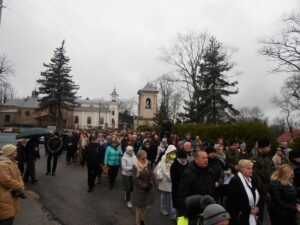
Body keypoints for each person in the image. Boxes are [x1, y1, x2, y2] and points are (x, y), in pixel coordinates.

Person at [177, 150, 216, 216]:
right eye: (203, 158)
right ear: (196, 159)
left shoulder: (210, 171)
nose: (206, 160)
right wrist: (185, 212)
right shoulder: (188, 173)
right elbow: (182, 195)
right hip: (193, 210)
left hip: (207, 209)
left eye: (207, 158)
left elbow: (212, 189)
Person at [226, 159, 260, 225]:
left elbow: (256, 194)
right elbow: (236, 200)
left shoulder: (252, 179)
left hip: (252, 213)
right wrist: (249, 209)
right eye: (248, 168)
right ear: (241, 169)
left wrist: (257, 207)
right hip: (239, 215)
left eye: (251, 168)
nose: (251, 171)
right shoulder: (235, 181)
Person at [0, 144, 24, 225]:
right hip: (4, 197)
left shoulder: (13, 162)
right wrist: (20, 186)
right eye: (15, 151)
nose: (17, 153)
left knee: (10, 216)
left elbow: (19, 175)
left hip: (11, 194)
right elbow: (7, 181)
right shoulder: (2, 165)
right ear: (9, 152)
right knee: (6, 218)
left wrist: (20, 183)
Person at [251, 138, 272, 223]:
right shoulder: (254, 159)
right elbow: (256, 177)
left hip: (269, 189)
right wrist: (264, 191)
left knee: (274, 213)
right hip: (259, 191)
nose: (269, 148)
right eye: (268, 146)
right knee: (259, 214)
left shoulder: (268, 158)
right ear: (262, 147)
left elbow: (271, 173)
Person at [132, 150, 153, 225]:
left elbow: (151, 173)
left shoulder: (148, 163)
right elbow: (135, 179)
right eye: (143, 158)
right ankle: (137, 223)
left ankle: (142, 219)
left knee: (148, 207)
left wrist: (150, 182)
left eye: (145, 158)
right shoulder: (135, 165)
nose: (145, 160)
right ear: (138, 158)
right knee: (139, 208)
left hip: (148, 189)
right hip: (139, 190)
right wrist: (144, 186)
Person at [157, 145, 177, 219]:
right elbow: (164, 169)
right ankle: (162, 209)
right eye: (173, 151)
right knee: (164, 195)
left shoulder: (173, 156)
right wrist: (170, 177)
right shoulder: (164, 157)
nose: (174, 152)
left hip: (172, 179)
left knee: (173, 196)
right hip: (165, 180)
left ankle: (174, 213)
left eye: (174, 151)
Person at [170, 150, 188, 220]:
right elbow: (174, 179)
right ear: (179, 158)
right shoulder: (174, 165)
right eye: (182, 158)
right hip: (177, 190)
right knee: (179, 210)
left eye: (185, 158)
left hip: (187, 190)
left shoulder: (188, 164)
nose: (183, 160)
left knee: (186, 209)